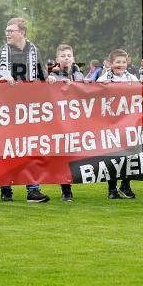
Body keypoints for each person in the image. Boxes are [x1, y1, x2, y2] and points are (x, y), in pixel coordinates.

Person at [0, 17, 51, 203]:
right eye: (6, 30)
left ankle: (33, 190)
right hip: (7, 110)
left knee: (30, 149)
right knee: (8, 150)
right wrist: (1, 77)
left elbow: (42, 77)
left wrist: (50, 80)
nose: (7, 34)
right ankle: (6, 189)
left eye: (11, 30)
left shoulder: (34, 51)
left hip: (29, 110)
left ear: (22, 33)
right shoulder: (1, 54)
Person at [99, 49, 140, 199]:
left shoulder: (132, 78)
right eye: (118, 62)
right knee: (113, 157)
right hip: (111, 125)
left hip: (129, 124)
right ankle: (112, 189)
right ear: (110, 63)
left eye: (123, 62)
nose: (121, 65)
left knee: (131, 156)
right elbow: (94, 94)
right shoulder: (103, 78)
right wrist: (102, 86)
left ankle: (125, 185)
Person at [48, 44, 82, 201]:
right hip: (60, 122)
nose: (66, 58)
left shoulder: (79, 75)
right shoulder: (54, 76)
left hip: (79, 121)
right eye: (63, 56)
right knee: (64, 155)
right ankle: (66, 189)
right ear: (57, 59)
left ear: (73, 58)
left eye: (69, 55)